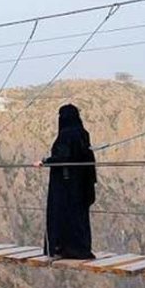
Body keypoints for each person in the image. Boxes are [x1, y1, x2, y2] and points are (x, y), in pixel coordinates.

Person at [34, 104, 97, 260]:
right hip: (81, 184)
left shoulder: (65, 135)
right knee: (78, 216)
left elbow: (63, 157)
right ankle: (80, 248)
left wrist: (44, 162)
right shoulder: (83, 134)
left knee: (61, 214)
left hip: (65, 184)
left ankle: (61, 248)